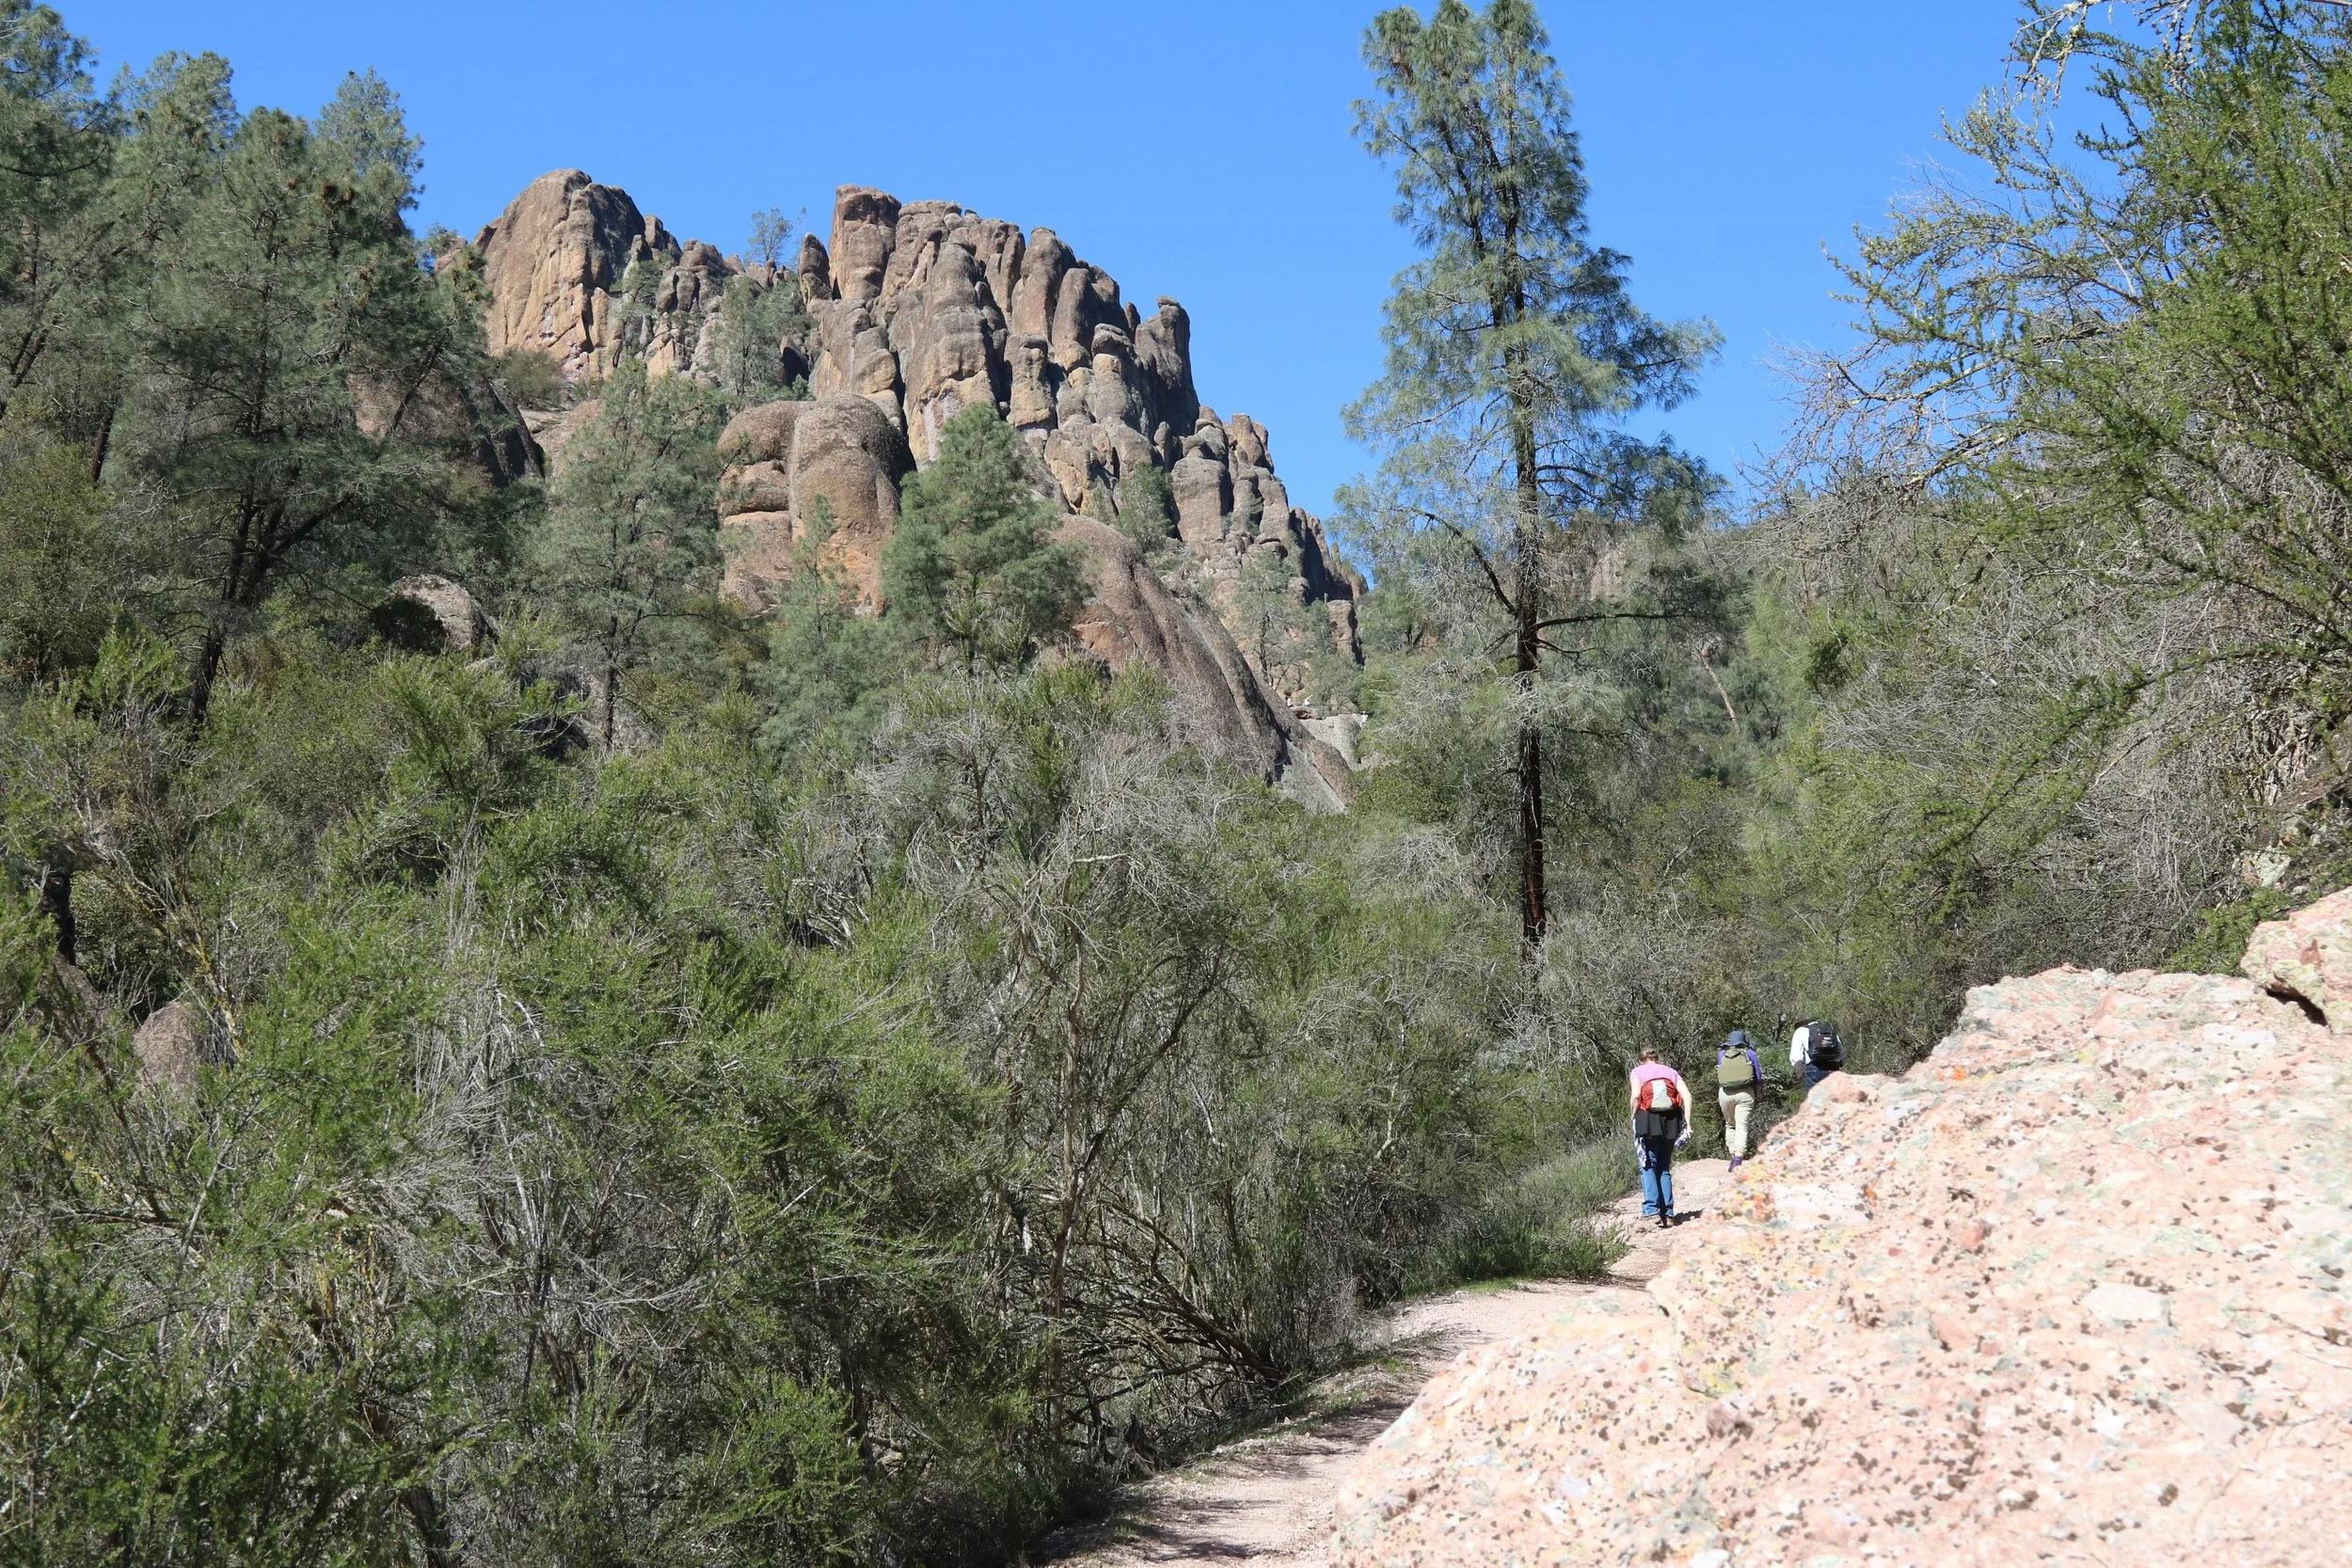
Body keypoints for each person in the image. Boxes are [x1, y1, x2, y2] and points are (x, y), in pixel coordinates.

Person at [1629, 1046, 1692, 1227]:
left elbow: (1635, 1096)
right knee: (1664, 1167)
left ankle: (1651, 1212)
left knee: (1648, 1165)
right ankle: (1669, 1214)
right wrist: (1687, 1122)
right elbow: (1687, 1096)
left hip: (1648, 1121)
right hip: (1672, 1121)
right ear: (1657, 1058)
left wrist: (1633, 1116)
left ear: (1641, 1059)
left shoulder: (1637, 1071)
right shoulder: (1670, 1071)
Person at [1715, 1028, 1763, 1171]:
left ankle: (1732, 1153)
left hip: (1725, 1094)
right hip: (1745, 1093)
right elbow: (1758, 1077)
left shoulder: (1722, 1054)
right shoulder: (1750, 1054)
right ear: (1744, 1042)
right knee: (1742, 1125)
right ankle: (1738, 1158)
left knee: (1730, 1125)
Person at [1789, 1018, 1846, 1092]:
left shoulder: (1800, 1031)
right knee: (1832, 1099)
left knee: (1814, 1100)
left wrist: (1800, 1075)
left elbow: (1796, 1057)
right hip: (1833, 1069)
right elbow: (1842, 1053)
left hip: (1814, 1069)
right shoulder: (1830, 1029)